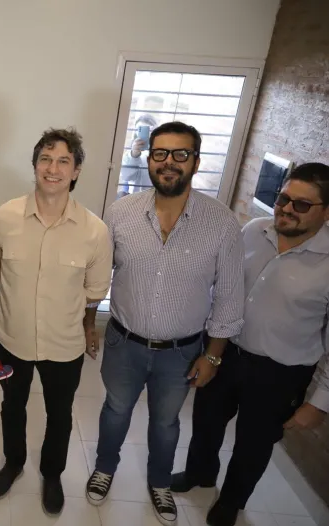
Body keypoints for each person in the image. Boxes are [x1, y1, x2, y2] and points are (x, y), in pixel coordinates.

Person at [87, 121, 244, 526]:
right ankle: (104, 467)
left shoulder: (222, 223)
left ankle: (159, 481)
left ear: (195, 161)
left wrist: (213, 357)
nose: (169, 162)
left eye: (180, 154)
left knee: (166, 423)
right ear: (149, 158)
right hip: (123, 342)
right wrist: (88, 322)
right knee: (115, 410)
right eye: (160, 153)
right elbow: (98, 276)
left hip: (181, 352)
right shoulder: (120, 213)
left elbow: (229, 298)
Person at [171, 162, 329, 526]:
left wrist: (319, 403)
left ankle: (231, 501)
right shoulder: (254, 231)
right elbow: (222, 288)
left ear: (326, 212)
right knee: (206, 421)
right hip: (225, 352)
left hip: (280, 373)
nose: (286, 209)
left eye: (301, 204)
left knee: (254, 443)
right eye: (283, 198)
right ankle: (199, 473)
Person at [0, 127, 113, 516]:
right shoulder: (4, 216)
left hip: (64, 344)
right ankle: (13, 463)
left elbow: (95, 290)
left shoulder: (95, 231)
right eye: (45, 159)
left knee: (60, 414)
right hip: (11, 338)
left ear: (76, 171)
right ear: (35, 165)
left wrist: (84, 324)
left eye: (63, 161)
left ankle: (52, 474)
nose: (52, 169)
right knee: (12, 405)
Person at [117, 114, 158, 198]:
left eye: (149, 129)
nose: (146, 133)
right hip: (136, 199)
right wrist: (134, 156)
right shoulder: (130, 154)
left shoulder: (162, 153)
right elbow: (126, 177)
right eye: (140, 129)